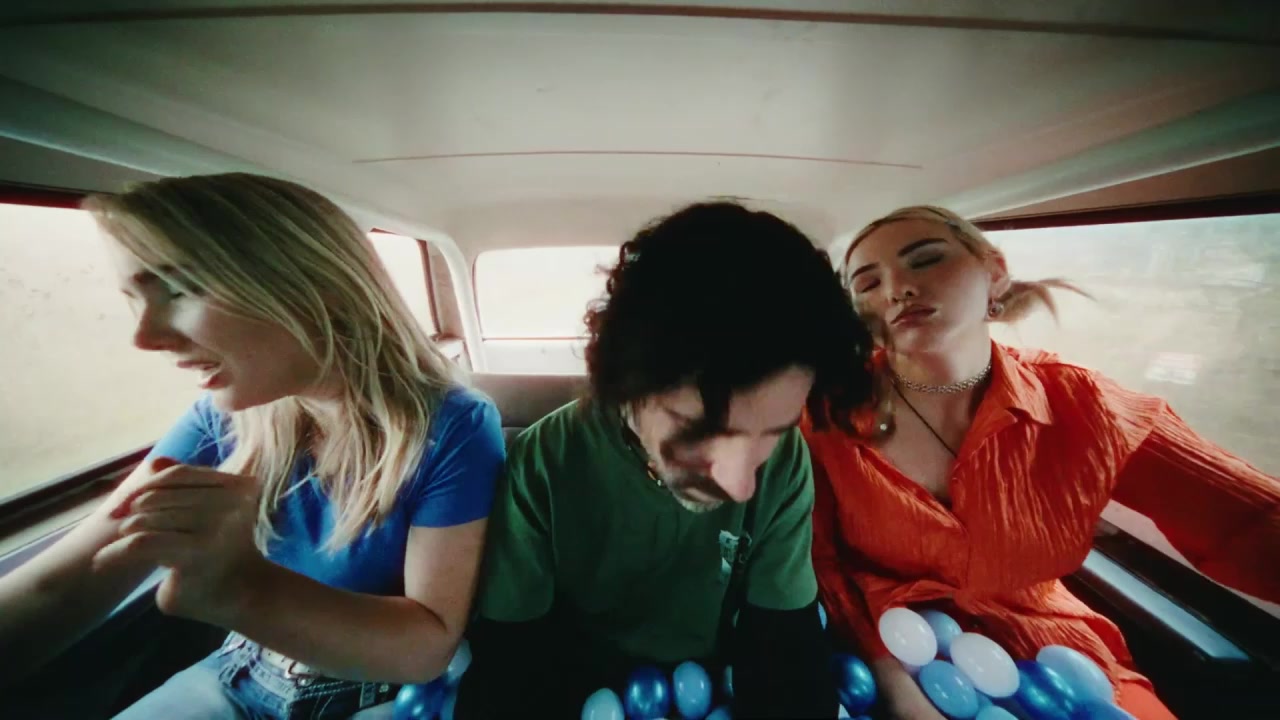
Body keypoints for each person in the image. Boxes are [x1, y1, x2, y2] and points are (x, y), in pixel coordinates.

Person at [0, 173, 505, 719]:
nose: (144, 338)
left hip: (377, 693)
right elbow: (63, 582)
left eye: (181, 288)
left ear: (314, 285)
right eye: (134, 299)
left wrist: (239, 587)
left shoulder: (454, 424)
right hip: (242, 668)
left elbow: (427, 645)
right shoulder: (222, 422)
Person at [804, 205, 1280, 720]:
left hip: (1059, 659)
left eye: (924, 260)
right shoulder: (822, 416)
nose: (897, 290)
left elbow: (1250, 523)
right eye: (868, 283)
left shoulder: (1086, 405)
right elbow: (821, 562)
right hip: (884, 649)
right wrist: (894, 682)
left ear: (995, 273)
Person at [453, 202, 875, 719]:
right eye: (700, 431)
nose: (740, 484)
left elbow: (784, 648)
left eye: (773, 431)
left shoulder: (786, 463)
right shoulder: (542, 465)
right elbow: (512, 665)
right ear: (625, 384)